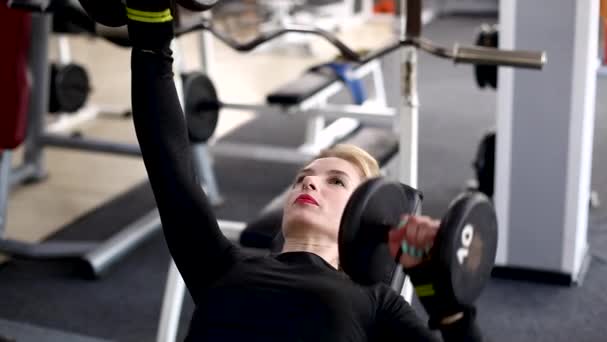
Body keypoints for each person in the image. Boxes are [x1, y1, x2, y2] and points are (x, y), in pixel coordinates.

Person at [122, 0, 484, 340]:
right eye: (303, 176)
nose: (310, 180)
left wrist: (448, 308)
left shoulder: (374, 302)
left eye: (336, 181)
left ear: (363, 214)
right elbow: (167, 160)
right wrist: (150, 26)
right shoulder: (219, 264)